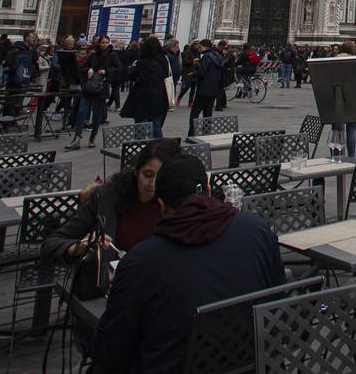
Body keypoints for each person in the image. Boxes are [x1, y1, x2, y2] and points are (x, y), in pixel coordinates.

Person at [89, 155, 282, 374]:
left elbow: (111, 351)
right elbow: (278, 303)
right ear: (209, 191)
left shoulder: (141, 262)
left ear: (160, 205)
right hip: (253, 364)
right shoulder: (258, 231)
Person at [44, 139, 181, 266]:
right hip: (112, 286)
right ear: (136, 171)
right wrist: (82, 246)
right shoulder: (107, 197)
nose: (152, 184)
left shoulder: (178, 202)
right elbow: (51, 244)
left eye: (161, 177)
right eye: (147, 175)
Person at [120, 38, 171, 139]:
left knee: (141, 126)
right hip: (159, 95)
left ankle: (141, 148)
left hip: (143, 97)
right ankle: (159, 148)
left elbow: (132, 75)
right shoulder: (163, 59)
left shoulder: (142, 61)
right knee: (156, 125)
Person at [324, 40, 356, 158]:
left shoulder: (332, 61)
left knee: (335, 129)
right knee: (351, 130)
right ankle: (351, 157)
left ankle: (334, 156)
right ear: (352, 50)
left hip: (335, 98)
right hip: (352, 98)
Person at [187, 40, 226, 135]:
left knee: (195, 113)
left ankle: (192, 134)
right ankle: (206, 133)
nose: (199, 49)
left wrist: (193, 73)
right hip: (214, 89)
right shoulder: (218, 56)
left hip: (204, 89)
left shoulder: (206, 57)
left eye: (200, 47)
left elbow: (202, 72)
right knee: (208, 113)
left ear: (205, 47)